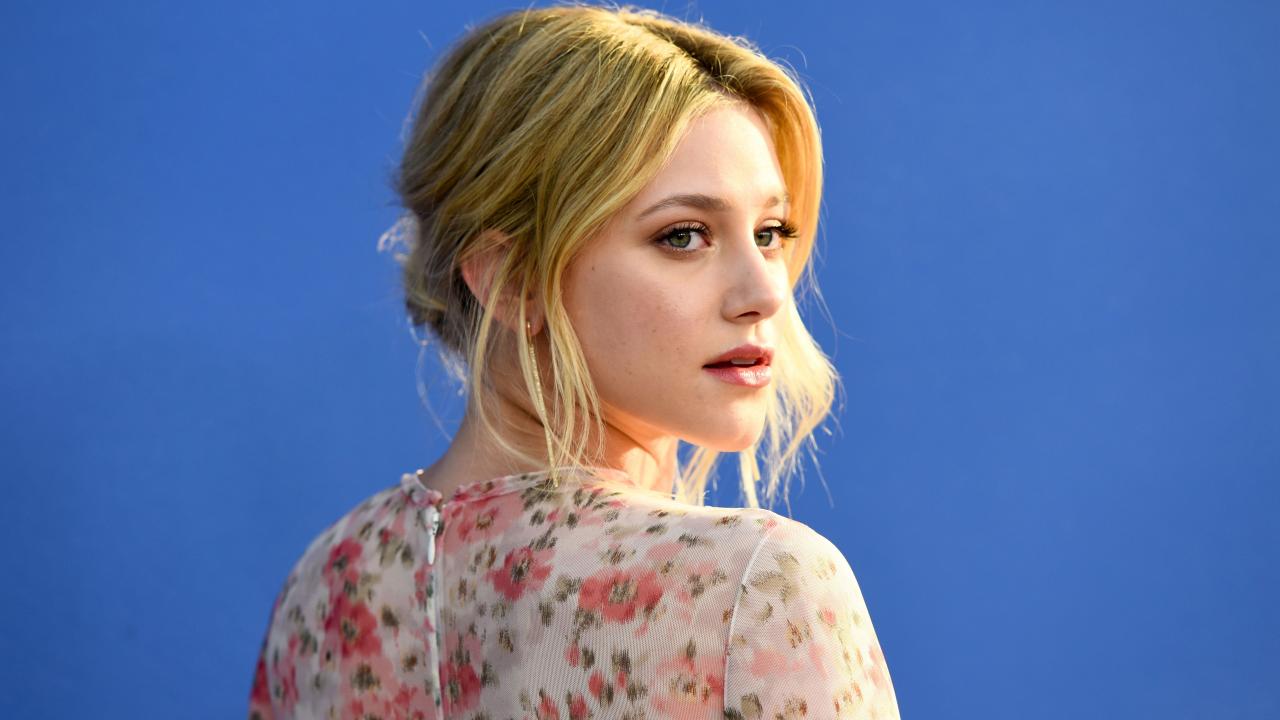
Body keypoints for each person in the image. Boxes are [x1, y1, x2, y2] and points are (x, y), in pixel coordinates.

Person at [248, 3, 901, 718]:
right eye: (684, 235)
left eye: (771, 231)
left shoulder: (329, 587)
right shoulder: (758, 585)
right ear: (511, 278)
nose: (766, 293)